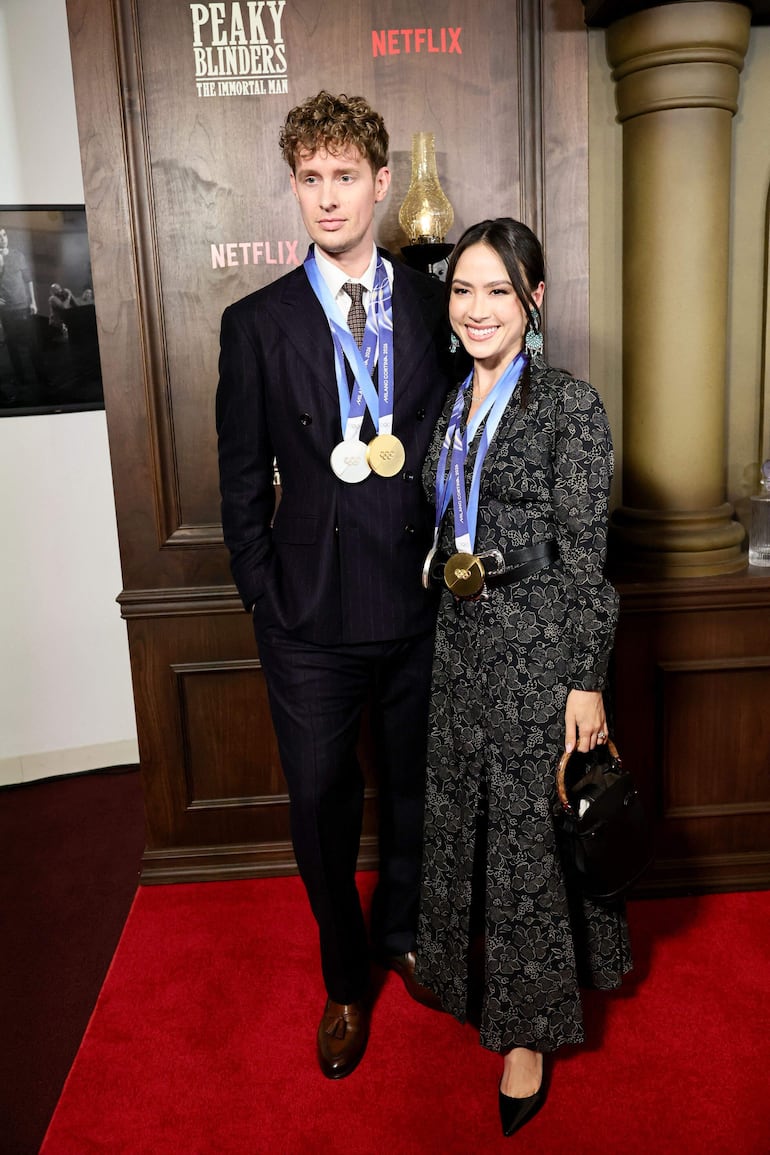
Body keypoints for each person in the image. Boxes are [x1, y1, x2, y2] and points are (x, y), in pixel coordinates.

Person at [216, 91, 457, 1080]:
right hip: (307, 614)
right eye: (309, 179)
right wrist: (262, 593)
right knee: (319, 800)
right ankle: (345, 978)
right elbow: (236, 477)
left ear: (380, 182)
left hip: (415, 596)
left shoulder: (439, 304)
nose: (326, 197)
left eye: (344, 176)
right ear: (294, 186)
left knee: (411, 787)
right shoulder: (257, 323)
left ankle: (400, 932)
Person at [414, 218, 631, 1137]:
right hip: (463, 644)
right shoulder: (452, 402)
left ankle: (528, 1036)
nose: (476, 308)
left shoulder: (570, 407)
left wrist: (587, 678)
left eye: (498, 291)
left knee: (525, 845)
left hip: (541, 648)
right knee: (470, 818)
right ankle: (470, 978)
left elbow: (588, 554)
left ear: (534, 302)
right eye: (463, 290)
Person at [0, 226, 46, 401]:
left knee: (33, 345)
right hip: (6, 310)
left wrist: (33, 301)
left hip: (23, 306)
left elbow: (28, 280)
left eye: (4, 235)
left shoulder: (18, 255)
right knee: (12, 348)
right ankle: (21, 381)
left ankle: (42, 378)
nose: (2, 238)